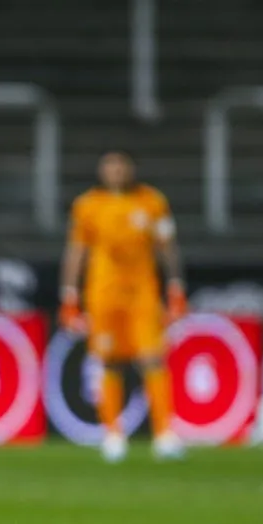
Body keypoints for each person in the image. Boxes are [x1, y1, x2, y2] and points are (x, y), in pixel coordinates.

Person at [59, 150, 188, 462]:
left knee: (152, 358)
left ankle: (164, 433)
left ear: (131, 169)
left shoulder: (151, 202)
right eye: (110, 166)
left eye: (121, 165)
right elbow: (77, 251)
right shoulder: (88, 205)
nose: (116, 171)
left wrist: (176, 288)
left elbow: (167, 248)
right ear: (102, 171)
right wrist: (69, 296)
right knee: (109, 361)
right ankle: (113, 434)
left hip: (142, 294)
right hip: (103, 295)